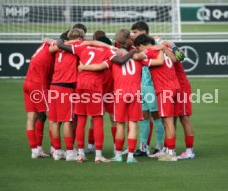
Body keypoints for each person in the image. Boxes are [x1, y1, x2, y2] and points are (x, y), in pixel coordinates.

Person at [78, 29, 164, 163]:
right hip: (135, 93)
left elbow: (100, 66)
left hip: (119, 93)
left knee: (120, 125)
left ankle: (118, 155)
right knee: (133, 124)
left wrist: (84, 67)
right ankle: (130, 156)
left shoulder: (114, 56)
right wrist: (162, 48)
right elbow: (159, 62)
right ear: (130, 41)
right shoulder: (138, 57)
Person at [57, 31, 138, 163]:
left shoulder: (82, 47)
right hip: (94, 86)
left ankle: (80, 153)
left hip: (81, 85)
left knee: (82, 119)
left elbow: (61, 45)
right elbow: (121, 60)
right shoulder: (108, 52)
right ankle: (98, 155)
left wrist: (65, 41)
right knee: (97, 119)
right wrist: (131, 52)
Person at [133, 34, 181, 161]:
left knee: (168, 122)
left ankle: (171, 153)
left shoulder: (150, 50)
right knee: (166, 121)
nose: (139, 51)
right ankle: (169, 150)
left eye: (138, 48)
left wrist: (139, 57)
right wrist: (164, 47)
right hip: (174, 87)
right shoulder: (164, 49)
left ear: (142, 45)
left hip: (165, 89)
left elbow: (137, 56)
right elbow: (176, 60)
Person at [48, 29, 84, 161]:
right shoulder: (77, 47)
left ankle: (57, 151)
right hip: (66, 87)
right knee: (68, 121)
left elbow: (50, 47)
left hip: (54, 86)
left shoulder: (58, 48)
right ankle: (70, 152)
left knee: (55, 122)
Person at [23, 40, 55, 159]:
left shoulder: (43, 46)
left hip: (27, 83)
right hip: (38, 84)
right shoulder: (52, 49)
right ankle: (55, 149)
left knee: (32, 117)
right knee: (52, 117)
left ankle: (35, 150)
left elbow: (46, 39)